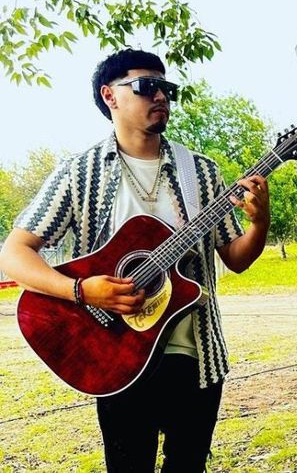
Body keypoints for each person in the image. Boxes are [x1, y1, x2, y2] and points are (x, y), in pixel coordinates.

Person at [0, 49, 270, 471]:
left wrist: (260, 222)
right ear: (109, 96)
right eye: (147, 86)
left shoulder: (200, 172)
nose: (160, 96)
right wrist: (82, 290)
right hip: (114, 355)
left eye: (166, 88)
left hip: (196, 355)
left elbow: (235, 258)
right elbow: (14, 254)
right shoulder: (80, 173)